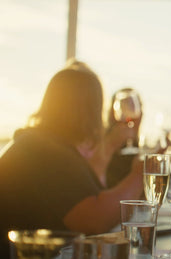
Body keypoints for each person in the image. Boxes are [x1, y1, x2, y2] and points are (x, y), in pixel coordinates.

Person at [0, 60, 144, 257]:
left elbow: (93, 192)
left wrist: (109, 147)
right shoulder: (45, 151)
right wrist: (142, 172)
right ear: (88, 110)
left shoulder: (39, 143)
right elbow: (95, 221)